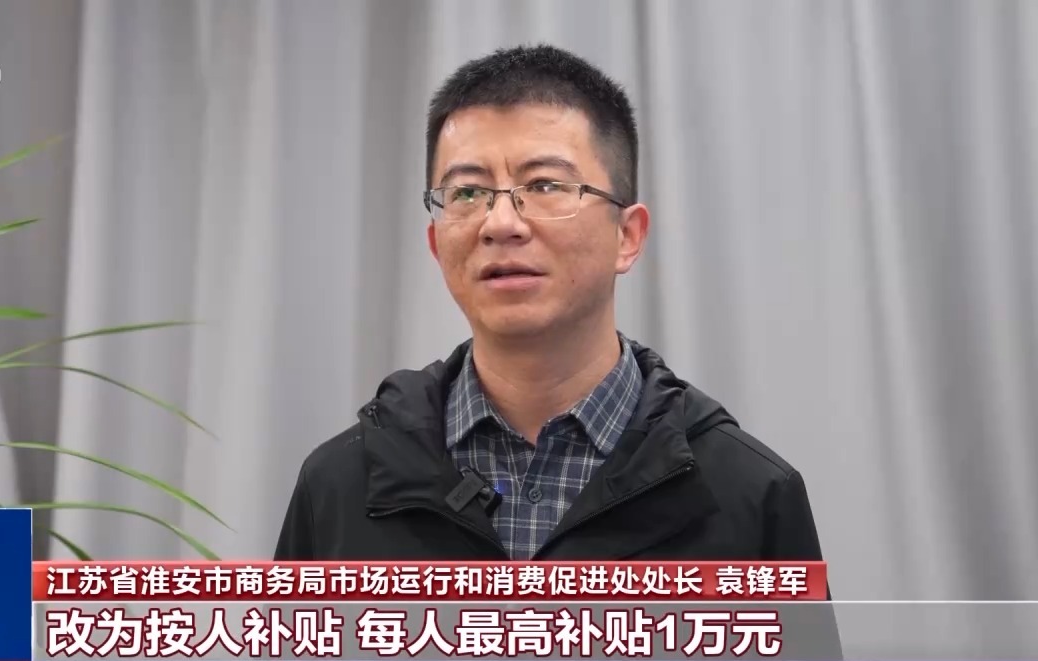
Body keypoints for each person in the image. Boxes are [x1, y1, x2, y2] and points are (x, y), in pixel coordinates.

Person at [274, 44, 833, 567]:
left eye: (543, 185)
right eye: (467, 192)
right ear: (436, 244)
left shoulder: (748, 494)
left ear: (627, 236)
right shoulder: (339, 486)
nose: (501, 223)